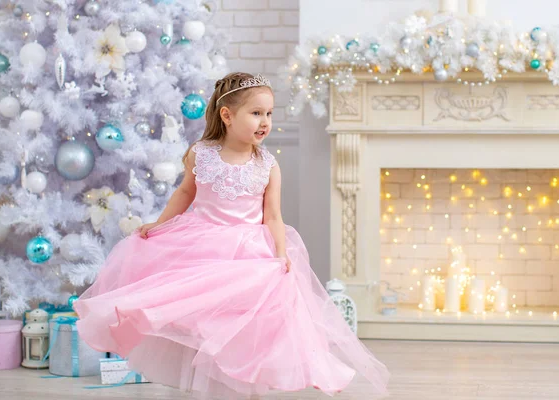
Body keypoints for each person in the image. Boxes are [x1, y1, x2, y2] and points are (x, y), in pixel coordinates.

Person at [73, 72, 390, 399]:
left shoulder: (267, 165)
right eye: (256, 113)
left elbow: (274, 216)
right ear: (227, 115)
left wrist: (280, 253)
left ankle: (240, 386)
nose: (265, 121)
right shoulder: (201, 153)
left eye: (269, 113)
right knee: (191, 311)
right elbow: (185, 193)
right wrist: (159, 224)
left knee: (241, 327)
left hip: (249, 253)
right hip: (202, 245)